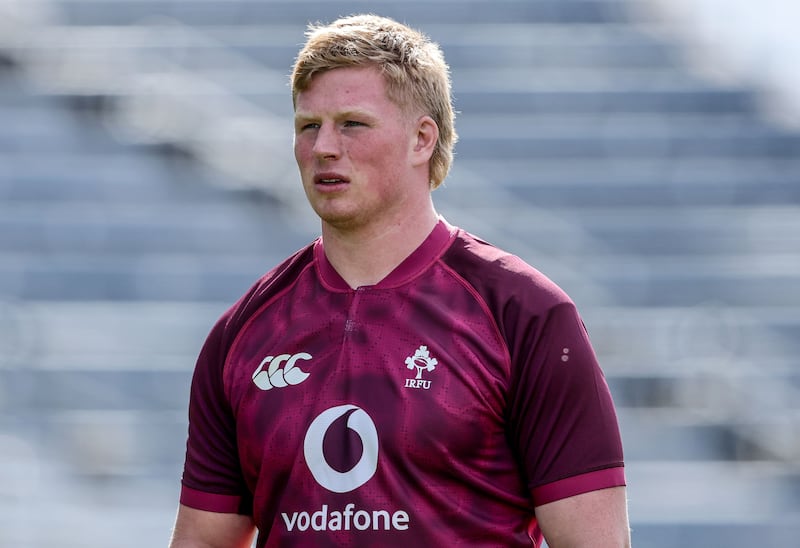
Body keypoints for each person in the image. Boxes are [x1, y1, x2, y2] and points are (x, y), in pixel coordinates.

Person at [169, 13, 630, 548]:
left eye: (353, 124)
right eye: (307, 126)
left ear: (421, 139)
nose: (323, 147)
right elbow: (204, 540)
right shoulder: (244, 332)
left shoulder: (523, 314)